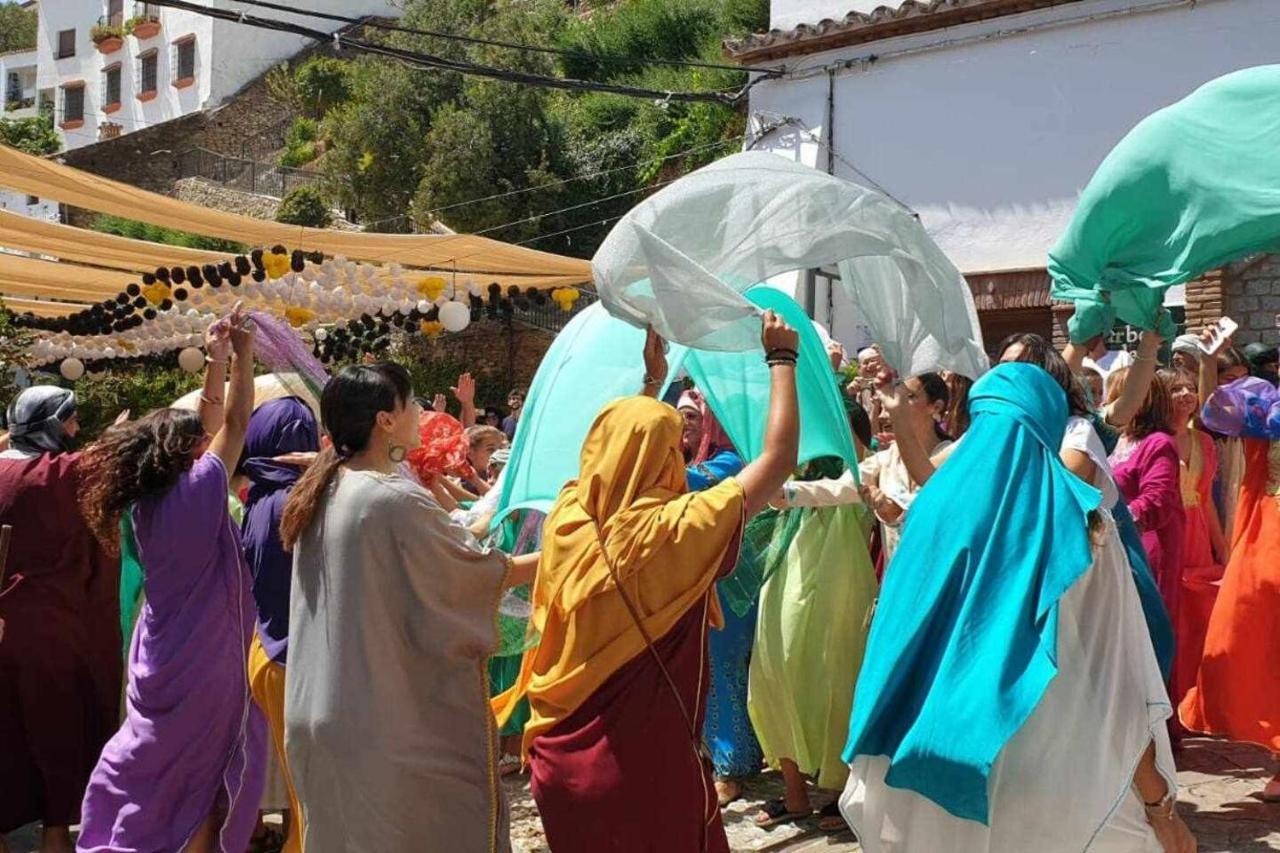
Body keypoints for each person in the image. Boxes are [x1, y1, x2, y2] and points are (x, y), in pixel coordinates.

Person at [839, 360, 1194, 853]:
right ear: (1049, 425)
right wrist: (1161, 809)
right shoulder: (1075, 519)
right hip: (1057, 776)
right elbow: (1111, 681)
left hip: (933, 766)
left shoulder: (929, 514)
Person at [493, 314, 801, 853]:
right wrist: (781, 359)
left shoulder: (569, 519)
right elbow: (777, 462)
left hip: (559, 763)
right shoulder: (679, 530)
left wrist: (649, 384)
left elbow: (619, 449)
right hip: (646, 772)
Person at [280, 362, 538, 852]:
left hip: (321, 712)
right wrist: (562, 554)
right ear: (384, 420)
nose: (420, 411)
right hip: (380, 720)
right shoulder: (388, 497)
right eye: (411, 402)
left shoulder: (325, 488)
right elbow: (472, 574)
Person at [77, 306, 267, 853]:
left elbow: (210, 422)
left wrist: (217, 358)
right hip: (206, 662)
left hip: (157, 655)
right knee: (203, 782)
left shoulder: (142, 503)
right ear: (187, 453)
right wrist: (245, 356)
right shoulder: (203, 487)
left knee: (153, 767)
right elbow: (233, 422)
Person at [0, 387, 118, 853]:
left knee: (4, 734)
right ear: (51, 424)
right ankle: (54, 836)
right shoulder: (63, 474)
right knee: (58, 736)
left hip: (7, 627)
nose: (74, 431)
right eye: (69, 422)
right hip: (56, 632)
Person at [1180, 328, 1280, 802]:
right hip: (1269, 538)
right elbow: (1212, 414)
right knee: (1252, 638)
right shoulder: (1263, 399)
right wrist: (1207, 362)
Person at [240, 397, 320, 853]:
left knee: (303, 795)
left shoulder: (261, 496)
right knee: (316, 801)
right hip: (297, 661)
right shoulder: (299, 500)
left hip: (269, 653)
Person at [676, 388, 763, 806]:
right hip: (701, 581)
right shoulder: (698, 461)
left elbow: (686, 484)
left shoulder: (731, 461)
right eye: (681, 418)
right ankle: (721, 755)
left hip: (732, 585)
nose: (686, 425)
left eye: (694, 417)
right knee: (709, 669)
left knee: (724, 667)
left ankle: (733, 765)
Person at [1163, 369, 1228, 718]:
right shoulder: (1152, 438)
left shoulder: (1203, 442)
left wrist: (1223, 548)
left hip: (1198, 533)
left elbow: (1206, 500)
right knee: (1172, 617)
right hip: (1166, 532)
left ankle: (1195, 700)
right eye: (1177, 389)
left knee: (1199, 618)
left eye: (1190, 387)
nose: (1187, 393)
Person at [1107, 367, 1185, 649]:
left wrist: (1112, 520)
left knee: (1146, 634)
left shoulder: (1158, 443)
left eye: (1113, 394)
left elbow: (1157, 500)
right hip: (1115, 544)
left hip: (1148, 548)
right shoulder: (1114, 441)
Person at [464, 425, 507, 495]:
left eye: (500, 448)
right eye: (491, 449)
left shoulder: (505, 479)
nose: (498, 454)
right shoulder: (458, 484)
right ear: (470, 454)